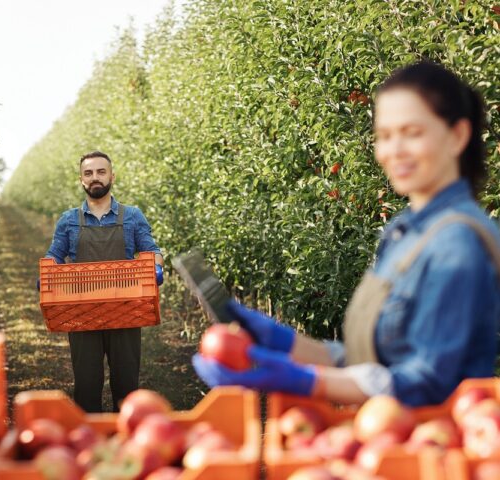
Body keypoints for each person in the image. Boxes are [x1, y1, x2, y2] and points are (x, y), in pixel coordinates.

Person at [193, 61, 500, 407]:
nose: (394, 150)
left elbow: (426, 382)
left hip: (431, 449)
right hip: (388, 436)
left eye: (412, 133)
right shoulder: (405, 231)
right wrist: (289, 345)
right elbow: (371, 363)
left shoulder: (456, 243)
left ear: (457, 136)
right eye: (384, 136)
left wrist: (305, 380)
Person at [45, 151, 164, 412]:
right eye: (88, 173)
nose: (95, 178)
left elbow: (152, 249)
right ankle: (89, 445)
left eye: (101, 172)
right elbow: (54, 254)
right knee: (86, 385)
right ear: (81, 180)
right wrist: (47, 273)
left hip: (126, 310)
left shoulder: (132, 216)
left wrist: (156, 266)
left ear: (112, 176)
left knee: (126, 385)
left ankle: (127, 442)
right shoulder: (68, 220)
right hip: (80, 311)